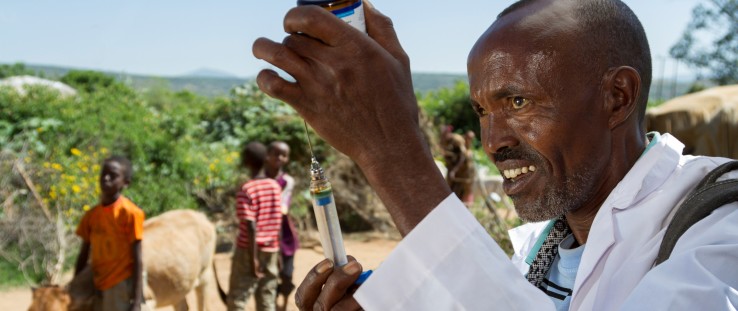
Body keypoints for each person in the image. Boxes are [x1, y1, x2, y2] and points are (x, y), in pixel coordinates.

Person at [252, 0, 738, 310]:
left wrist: (393, 154)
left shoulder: (721, 232)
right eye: (483, 110)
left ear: (618, 97)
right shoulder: (540, 251)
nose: (492, 141)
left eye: (518, 102)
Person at [74, 155, 147, 311]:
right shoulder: (92, 216)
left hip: (121, 284)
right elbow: (83, 253)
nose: (106, 179)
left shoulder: (131, 213)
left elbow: (138, 258)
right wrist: (76, 285)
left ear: (125, 183)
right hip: (97, 282)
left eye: (113, 176)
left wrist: (136, 301)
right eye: (103, 174)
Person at [228, 142, 283, 311]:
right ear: (266, 159)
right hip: (271, 249)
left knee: (238, 297)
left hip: (248, 250)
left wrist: (253, 260)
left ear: (246, 162)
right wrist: (278, 251)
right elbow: (277, 222)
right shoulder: (275, 186)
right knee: (267, 296)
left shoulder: (247, 189)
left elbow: (251, 226)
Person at [263, 141, 300, 307]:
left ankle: (284, 301)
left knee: (286, 272)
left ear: (287, 158)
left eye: (283, 155)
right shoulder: (260, 179)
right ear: (267, 156)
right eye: (275, 154)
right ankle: (273, 302)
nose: (279, 158)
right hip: (265, 234)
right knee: (268, 273)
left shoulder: (287, 181)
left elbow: (283, 205)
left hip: (284, 235)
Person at [442, 130, 475, 205]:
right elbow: (461, 157)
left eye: (471, 139)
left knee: (463, 196)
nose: (469, 140)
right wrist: (454, 170)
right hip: (457, 177)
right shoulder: (459, 142)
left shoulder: (466, 147)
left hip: (465, 177)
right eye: (468, 138)